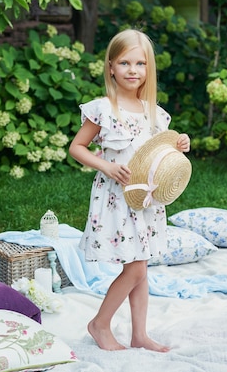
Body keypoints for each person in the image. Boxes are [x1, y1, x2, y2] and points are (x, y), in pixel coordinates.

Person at [69, 29, 191, 352]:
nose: (133, 70)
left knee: (141, 266)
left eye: (140, 63)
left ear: (148, 69)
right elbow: (77, 147)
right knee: (135, 267)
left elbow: (161, 154)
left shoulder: (154, 113)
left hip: (145, 201)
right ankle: (100, 323)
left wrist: (180, 144)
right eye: (125, 62)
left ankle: (140, 334)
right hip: (117, 200)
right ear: (110, 66)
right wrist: (106, 166)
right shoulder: (103, 110)